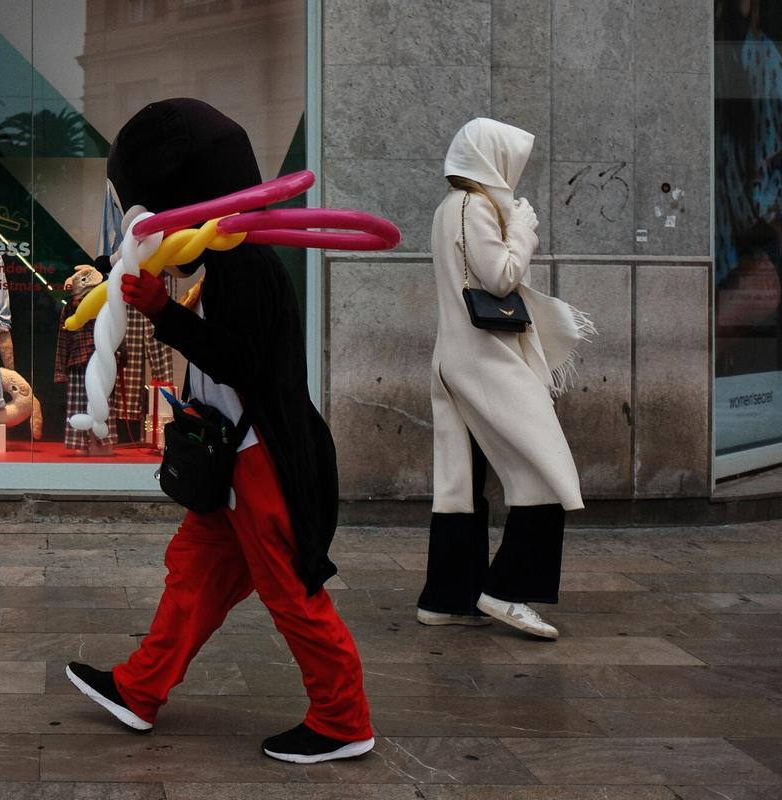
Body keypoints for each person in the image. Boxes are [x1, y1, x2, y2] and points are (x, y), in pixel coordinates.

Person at [65, 98, 374, 764]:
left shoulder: (246, 266)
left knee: (292, 593)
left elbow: (244, 361)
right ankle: (138, 689)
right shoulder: (225, 260)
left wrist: (164, 315)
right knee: (193, 579)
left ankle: (343, 719)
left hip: (261, 464)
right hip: (233, 460)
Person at [417, 118, 592, 640]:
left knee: (460, 486)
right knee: (545, 471)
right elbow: (500, 276)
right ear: (492, 161)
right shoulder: (474, 208)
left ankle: (447, 598)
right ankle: (507, 591)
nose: (517, 171)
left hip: (459, 359)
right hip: (486, 361)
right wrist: (523, 229)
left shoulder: (452, 207)